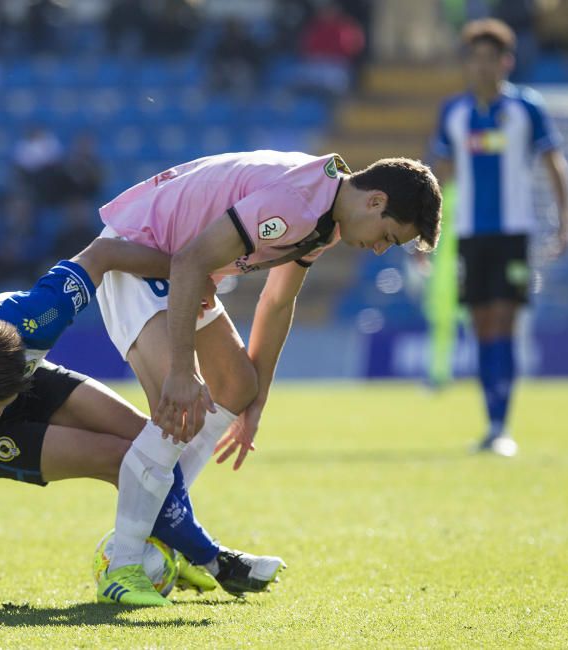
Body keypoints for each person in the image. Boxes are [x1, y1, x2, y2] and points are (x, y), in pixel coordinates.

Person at [92, 151, 442, 601]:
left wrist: (255, 404)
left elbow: (277, 302)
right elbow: (191, 261)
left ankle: (160, 539)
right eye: (387, 237)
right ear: (375, 202)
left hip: (174, 265)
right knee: (179, 410)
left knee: (237, 384)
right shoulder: (297, 203)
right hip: (138, 255)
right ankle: (123, 565)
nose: (378, 249)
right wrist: (182, 370)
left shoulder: (324, 212)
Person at [0, 237, 285, 610]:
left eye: (2, 404)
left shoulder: (39, 314)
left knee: (150, 444)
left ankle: (179, 547)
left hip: (30, 381)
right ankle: (212, 560)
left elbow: (104, 252)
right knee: (119, 459)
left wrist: (187, 273)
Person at [430, 18, 568, 457]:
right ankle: (491, 420)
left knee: (505, 320)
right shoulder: (454, 113)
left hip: (515, 233)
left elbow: (554, 165)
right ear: (467, 64)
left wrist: (565, 221)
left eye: (491, 58)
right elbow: (439, 175)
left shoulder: (525, 108)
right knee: (481, 324)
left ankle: (500, 425)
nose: (483, 67)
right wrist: (426, 231)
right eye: (475, 59)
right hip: (471, 235)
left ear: (506, 62)